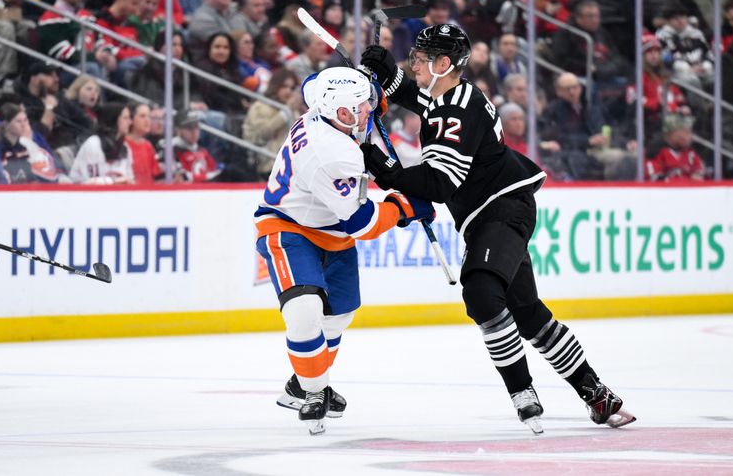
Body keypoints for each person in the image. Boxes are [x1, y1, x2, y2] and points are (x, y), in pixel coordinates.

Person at [359, 24, 635, 433]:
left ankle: (522, 392)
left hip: (501, 210)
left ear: (443, 64)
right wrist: (389, 74)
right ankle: (598, 395)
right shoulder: (453, 96)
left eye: (420, 58)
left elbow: (438, 184)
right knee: (529, 316)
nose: (413, 63)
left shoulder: (454, 110)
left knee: (482, 292)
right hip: (495, 212)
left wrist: (383, 168)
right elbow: (419, 99)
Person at [254, 66, 434, 434]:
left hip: (331, 231)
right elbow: (362, 223)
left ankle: (299, 384)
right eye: (359, 107)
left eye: (365, 105)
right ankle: (316, 391)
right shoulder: (330, 154)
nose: (367, 110)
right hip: (289, 227)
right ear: (339, 113)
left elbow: (312, 83)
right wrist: (402, 207)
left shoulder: (323, 105)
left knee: (340, 315)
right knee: (304, 311)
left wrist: (369, 87)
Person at [69, 102, 134, 184]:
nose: (130, 122)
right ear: (113, 119)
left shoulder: (125, 148)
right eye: (125, 118)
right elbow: (91, 183)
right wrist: (114, 181)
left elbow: (129, 180)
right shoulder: (93, 144)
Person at [645, 113, 706, 182]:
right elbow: (654, 178)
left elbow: (700, 172)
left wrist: (697, 176)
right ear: (672, 134)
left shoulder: (691, 153)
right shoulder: (656, 153)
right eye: (686, 132)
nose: (690, 137)